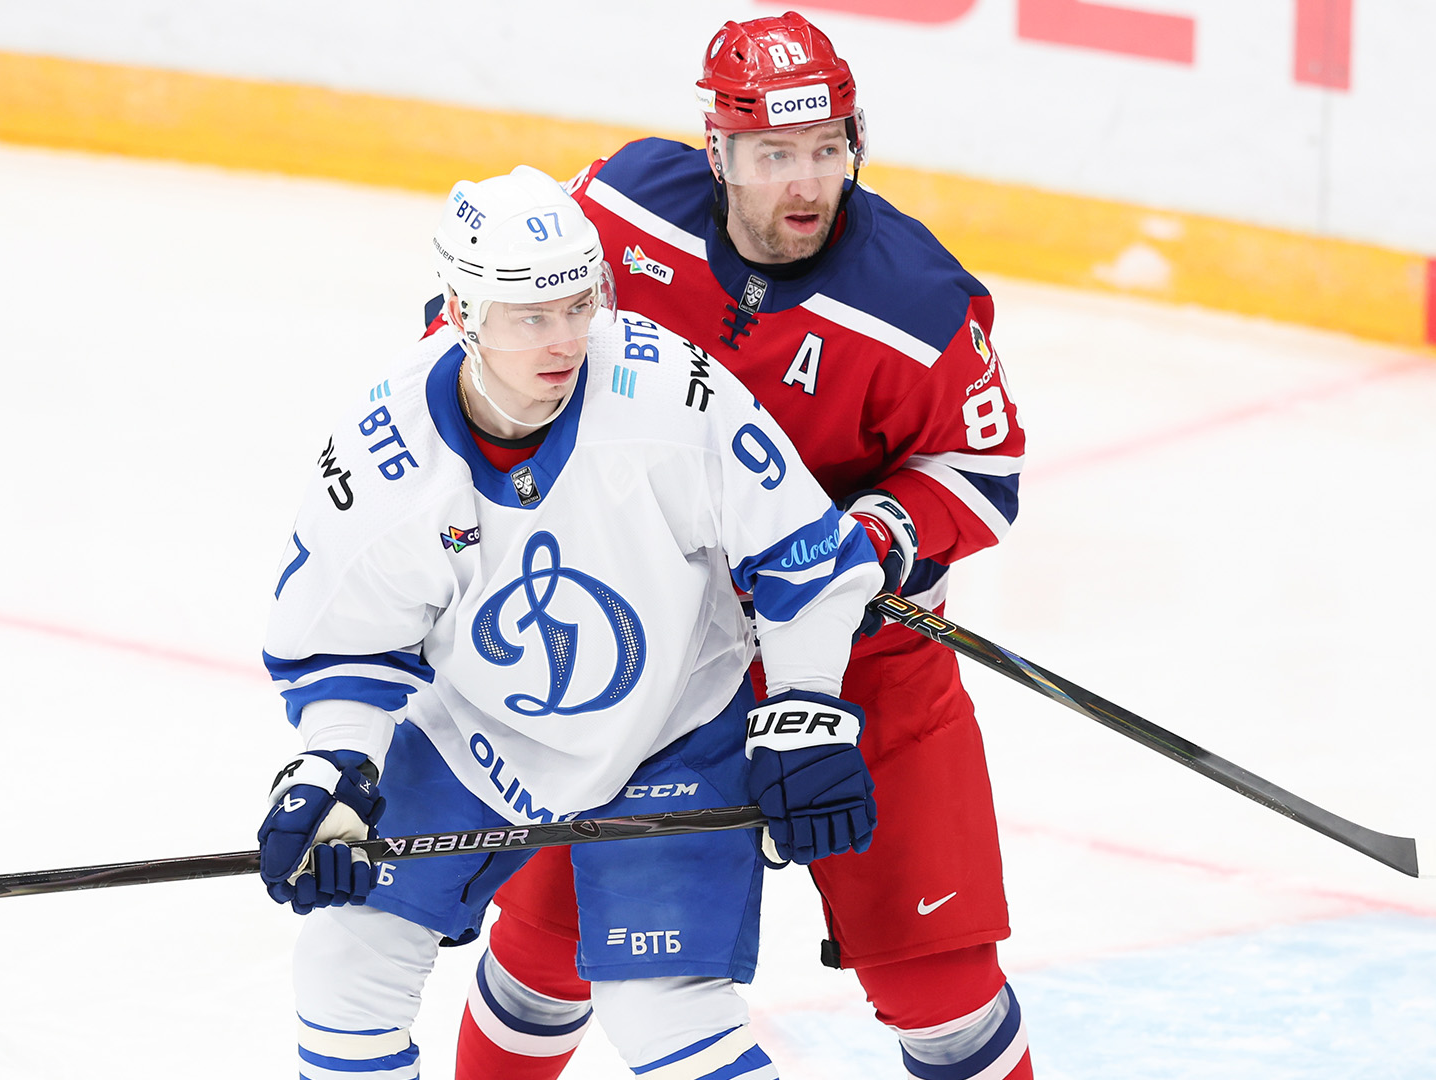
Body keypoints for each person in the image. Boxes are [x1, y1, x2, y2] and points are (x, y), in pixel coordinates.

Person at [454, 13, 1034, 1080]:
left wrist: (862, 544)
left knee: (943, 998)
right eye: (773, 155)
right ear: (718, 152)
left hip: (865, 669)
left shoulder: (921, 306)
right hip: (644, 659)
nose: (806, 184)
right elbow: (496, 328)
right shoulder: (623, 208)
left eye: (825, 150)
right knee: (544, 958)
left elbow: (982, 474)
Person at [256, 164, 885, 1080]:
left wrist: (807, 705)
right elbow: (344, 646)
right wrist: (334, 766)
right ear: (462, 312)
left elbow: (806, 555)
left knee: (665, 1009)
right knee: (346, 964)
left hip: (673, 724)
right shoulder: (385, 459)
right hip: (471, 727)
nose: (564, 340)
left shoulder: (671, 394)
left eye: (579, 305)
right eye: (529, 317)